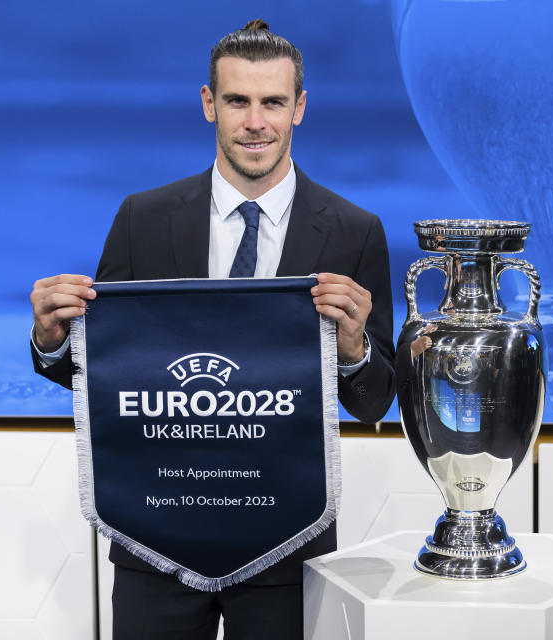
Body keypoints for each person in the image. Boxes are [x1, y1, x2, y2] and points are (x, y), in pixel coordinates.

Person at [29, 19, 395, 639]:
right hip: (156, 539)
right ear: (209, 105)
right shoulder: (142, 219)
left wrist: (356, 348)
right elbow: (104, 377)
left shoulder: (354, 231)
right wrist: (51, 339)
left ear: (299, 108)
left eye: (273, 102)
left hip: (288, 541)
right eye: (238, 101)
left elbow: (373, 401)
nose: (256, 122)